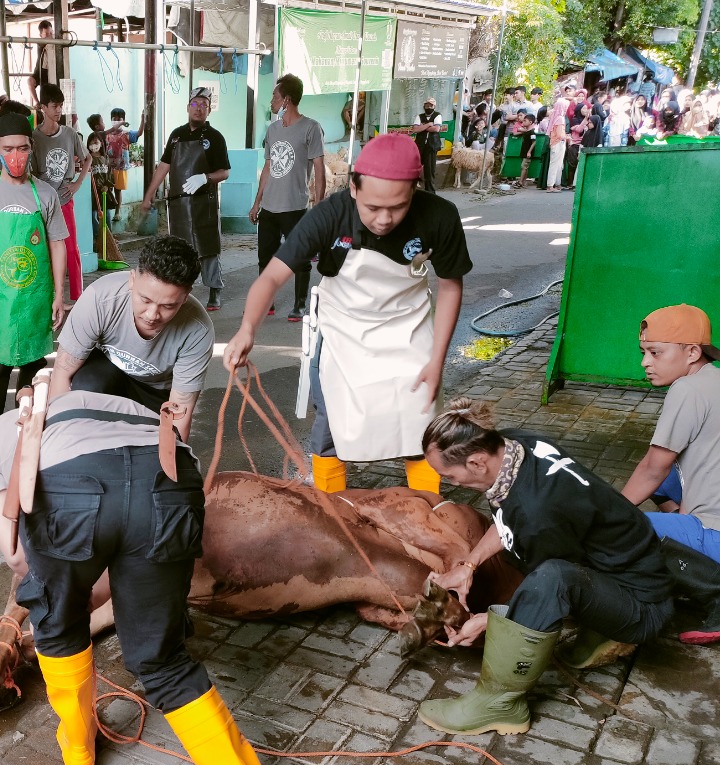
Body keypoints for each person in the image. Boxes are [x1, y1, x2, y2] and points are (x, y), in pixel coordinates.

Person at [0, 387, 290, 765]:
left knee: (57, 625)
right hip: (169, 483)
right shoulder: (120, 406)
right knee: (161, 659)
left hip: (71, 492)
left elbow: (18, 558)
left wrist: (80, 576)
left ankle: (79, 752)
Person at [224, 133, 471, 496]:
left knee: (422, 421)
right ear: (354, 187)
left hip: (409, 328)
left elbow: (451, 286)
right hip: (345, 331)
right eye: (373, 208)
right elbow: (272, 277)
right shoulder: (329, 215)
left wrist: (437, 359)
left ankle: (427, 508)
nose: (384, 220)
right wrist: (247, 329)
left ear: (415, 191)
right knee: (332, 422)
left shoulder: (440, 215)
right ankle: (335, 511)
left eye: (398, 207)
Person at [418, 401, 673, 734]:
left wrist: (490, 620)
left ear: (477, 462)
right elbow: (511, 513)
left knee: (553, 578)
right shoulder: (513, 446)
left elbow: (546, 589)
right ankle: (599, 628)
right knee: (553, 574)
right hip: (622, 572)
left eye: (449, 476)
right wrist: (469, 564)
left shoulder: (539, 515)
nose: (450, 483)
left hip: (642, 606)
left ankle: (498, 704)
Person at [0, 111, 68, 425]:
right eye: (8, 149)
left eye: (22, 148)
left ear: (31, 148)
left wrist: (59, 295)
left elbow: (57, 243)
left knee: (33, 369)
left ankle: (26, 431)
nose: (15, 156)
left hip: (35, 297)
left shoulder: (45, 194)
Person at [621, 304, 720, 642]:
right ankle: (688, 544)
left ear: (692, 352)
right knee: (664, 479)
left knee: (621, 534)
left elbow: (652, 468)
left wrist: (609, 514)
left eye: (655, 352)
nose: (645, 362)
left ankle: (710, 581)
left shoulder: (686, 390)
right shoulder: (714, 378)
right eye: (644, 352)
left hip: (717, 531)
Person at [53, 235, 212, 439]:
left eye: (168, 306)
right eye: (145, 299)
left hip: (154, 393)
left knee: (154, 451)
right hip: (105, 377)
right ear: (132, 279)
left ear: (186, 295)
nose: (152, 315)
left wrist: (174, 464)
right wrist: (57, 442)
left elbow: (180, 409)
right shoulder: (99, 298)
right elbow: (62, 373)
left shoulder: (197, 330)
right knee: (86, 386)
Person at [141, 87, 230, 312]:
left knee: (208, 246)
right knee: (179, 248)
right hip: (179, 203)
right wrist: (148, 196)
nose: (198, 109)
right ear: (187, 107)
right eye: (195, 104)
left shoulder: (215, 137)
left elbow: (225, 172)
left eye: (203, 105)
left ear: (209, 110)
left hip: (203, 201)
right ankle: (179, 289)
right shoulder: (176, 135)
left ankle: (214, 289)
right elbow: (164, 166)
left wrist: (205, 177)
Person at [250, 74, 325, 322]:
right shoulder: (272, 130)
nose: (271, 100)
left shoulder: (311, 128)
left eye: (275, 96)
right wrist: (257, 201)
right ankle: (268, 302)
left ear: (287, 100)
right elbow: (268, 168)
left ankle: (300, 303)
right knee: (265, 257)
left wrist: (318, 206)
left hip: (295, 206)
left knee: (300, 258)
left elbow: (319, 170)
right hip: (270, 207)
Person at [32, 83, 88, 304]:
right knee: (43, 250)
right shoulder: (33, 138)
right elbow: (33, 172)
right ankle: (49, 297)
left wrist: (77, 184)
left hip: (64, 200)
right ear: (42, 107)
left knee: (71, 248)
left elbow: (88, 158)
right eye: (54, 106)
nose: (59, 110)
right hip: (42, 203)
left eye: (61, 106)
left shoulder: (70, 134)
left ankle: (77, 297)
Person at [106, 107, 144, 219]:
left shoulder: (127, 134)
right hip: (108, 167)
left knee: (118, 190)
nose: (117, 121)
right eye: (114, 118)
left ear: (123, 120)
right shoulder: (107, 134)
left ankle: (117, 212)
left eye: (119, 119)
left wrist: (142, 119)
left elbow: (139, 133)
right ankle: (107, 211)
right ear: (111, 119)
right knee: (108, 189)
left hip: (120, 167)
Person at [411, 97, 443, 193]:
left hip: (431, 146)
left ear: (434, 106)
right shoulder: (419, 116)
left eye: (431, 105)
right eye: (427, 105)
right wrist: (429, 124)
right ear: (424, 105)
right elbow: (415, 129)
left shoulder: (438, 115)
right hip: (420, 145)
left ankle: (430, 192)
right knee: (414, 168)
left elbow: (436, 129)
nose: (429, 107)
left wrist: (422, 126)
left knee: (429, 170)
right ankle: (412, 190)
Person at [27, 20, 55, 107]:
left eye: (51, 33)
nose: (49, 36)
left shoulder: (56, 43)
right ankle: (37, 102)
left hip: (52, 71)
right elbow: (42, 42)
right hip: (41, 70)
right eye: (46, 34)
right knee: (30, 81)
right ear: (41, 35)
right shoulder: (40, 43)